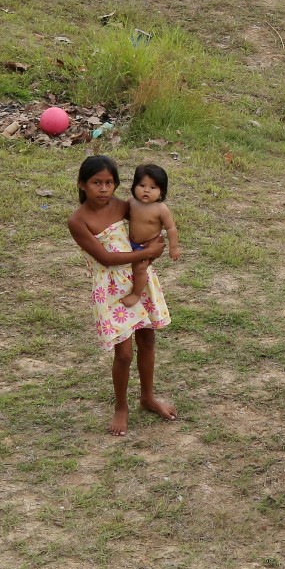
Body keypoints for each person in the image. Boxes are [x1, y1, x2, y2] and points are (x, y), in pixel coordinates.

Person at [65, 155, 174, 436]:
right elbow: (105, 257)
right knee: (124, 354)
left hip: (138, 280)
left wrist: (157, 243)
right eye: (96, 182)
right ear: (82, 185)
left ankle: (148, 397)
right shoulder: (78, 220)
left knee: (147, 339)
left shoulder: (124, 206)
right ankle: (121, 407)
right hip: (110, 289)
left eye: (109, 182)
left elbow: (148, 222)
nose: (103, 189)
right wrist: (147, 253)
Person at [126, 163, 180, 317]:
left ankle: (136, 294)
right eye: (142, 185)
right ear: (134, 185)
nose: (146, 190)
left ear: (161, 191)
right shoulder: (131, 202)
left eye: (153, 187)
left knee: (140, 268)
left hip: (147, 245)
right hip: (129, 243)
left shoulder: (160, 209)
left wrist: (173, 247)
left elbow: (171, 228)